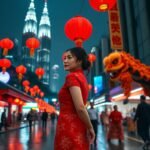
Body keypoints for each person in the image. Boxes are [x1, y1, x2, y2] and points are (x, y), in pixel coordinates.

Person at [54, 47, 95, 150]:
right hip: (79, 125)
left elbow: (80, 107)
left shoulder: (72, 77)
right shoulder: (82, 78)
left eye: (69, 57)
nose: (65, 61)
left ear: (79, 61)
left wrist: (90, 127)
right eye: (64, 58)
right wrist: (88, 126)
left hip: (68, 126)